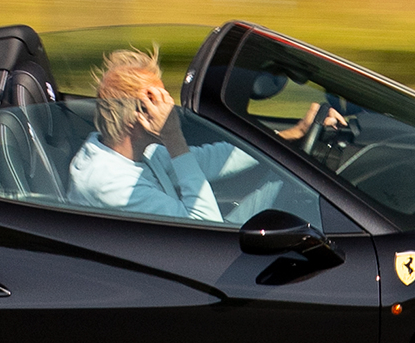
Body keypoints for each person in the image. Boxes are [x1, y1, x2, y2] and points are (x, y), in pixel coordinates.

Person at [67, 47, 299, 223]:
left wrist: (291, 135)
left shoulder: (134, 151)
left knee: (290, 180)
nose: (170, 105)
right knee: (298, 194)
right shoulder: (110, 184)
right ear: (138, 116)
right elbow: (208, 228)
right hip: (189, 267)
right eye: (158, 100)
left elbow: (211, 159)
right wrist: (173, 137)